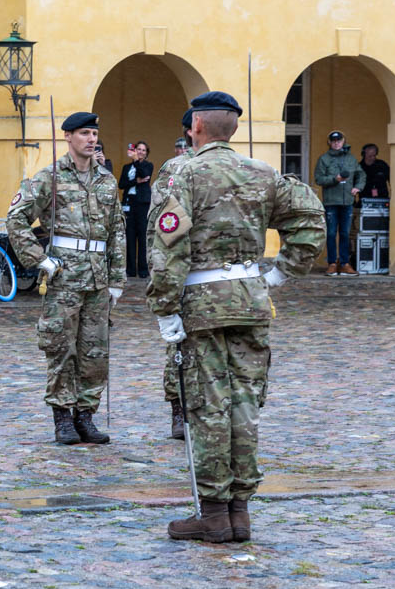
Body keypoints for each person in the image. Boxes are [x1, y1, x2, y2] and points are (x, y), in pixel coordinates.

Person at [147, 90, 323, 543]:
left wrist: (164, 307)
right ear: (234, 128)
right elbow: (310, 221)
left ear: (197, 127)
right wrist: (279, 275)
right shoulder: (263, 174)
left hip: (201, 305)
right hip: (250, 301)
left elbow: (168, 247)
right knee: (246, 405)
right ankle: (239, 513)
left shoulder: (182, 174)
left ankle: (213, 514)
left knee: (208, 408)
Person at [7, 112, 126, 445]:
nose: (91, 139)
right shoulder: (50, 178)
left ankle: (85, 416)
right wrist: (40, 260)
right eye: (85, 133)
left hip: (98, 279)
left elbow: (117, 230)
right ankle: (62, 418)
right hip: (65, 277)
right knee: (61, 348)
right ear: (68, 138)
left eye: (94, 133)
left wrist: (117, 279)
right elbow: (16, 218)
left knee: (95, 352)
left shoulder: (105, 180)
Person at [148, 110, 194, 440]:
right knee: (179, 347)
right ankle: (178, 410)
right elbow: (161, 221)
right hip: (184, 266)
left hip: (221, 271)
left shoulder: (234, 166)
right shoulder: (174, 169)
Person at [313, 131, 365, 276]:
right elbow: (318, 179)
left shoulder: (351, 159)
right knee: (330, 233)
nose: (336, 143)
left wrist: (358, 187)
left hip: (348, 201)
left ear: (343, 141)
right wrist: (334, 179)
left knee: (345, 233)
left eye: (339, 140)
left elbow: (361, 175)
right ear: (329, 142)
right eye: (333, 141)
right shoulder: (324, 159)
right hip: (331, 201)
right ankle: (331, 263)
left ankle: (344, 264)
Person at [118, 141, 153, 278]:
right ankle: (130, 269)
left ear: (146, 153)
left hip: (142, 204)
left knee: (142, 236)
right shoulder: (127, 167)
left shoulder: (148, 165)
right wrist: (135, 181)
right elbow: (121, 184)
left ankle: (143, 269)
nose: (140, 152)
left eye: (143, 150)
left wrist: (136, 162)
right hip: (129, 203)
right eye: (138, 149)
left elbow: (144, 174)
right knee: (130, 236)